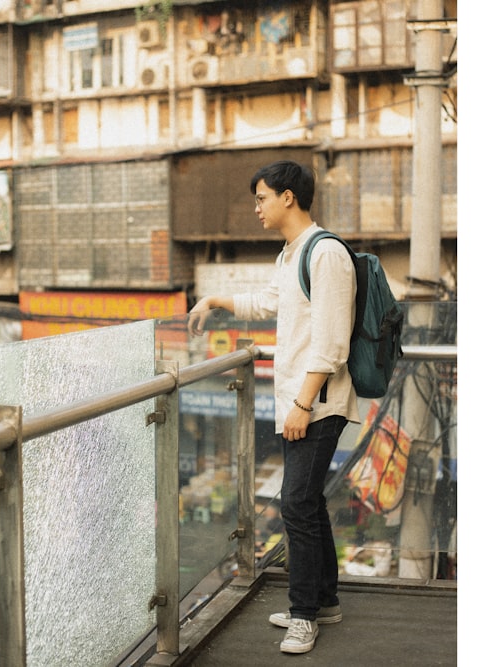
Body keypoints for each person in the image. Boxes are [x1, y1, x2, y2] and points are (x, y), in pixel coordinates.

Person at [188, 160, 359, 655]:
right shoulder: (292, 254)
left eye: (261, 197)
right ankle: (322, 602)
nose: (256, 207)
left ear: (288, 197)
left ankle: (305, 615)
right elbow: (267, 302)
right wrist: (215, 298)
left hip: (318, 401)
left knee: (295, 504)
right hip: (301, 399)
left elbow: (330, 343)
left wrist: (303, 405)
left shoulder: (324, 254)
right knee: (307, 504)